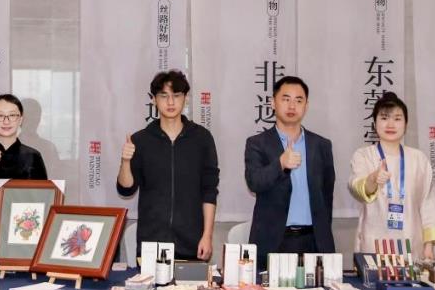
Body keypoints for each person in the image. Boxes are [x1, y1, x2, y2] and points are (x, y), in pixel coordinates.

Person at [116, 70, 219, 261]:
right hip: (151, 243)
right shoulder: (141, 140)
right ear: (153, 100)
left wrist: (207, 235)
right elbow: (126, 188)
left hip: (192, 242)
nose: (170, 102)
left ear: (185, 98)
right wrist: (125, 162)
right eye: (163, 96)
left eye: (176, 95)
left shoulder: (202, 139)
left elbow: (209, 191)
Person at [244, 76, 335, 259]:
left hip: (314, 241)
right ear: (273, 103)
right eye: (286, 99)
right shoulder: (257, 144)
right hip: (274, 241)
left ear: (306, 106)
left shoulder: (321, 145)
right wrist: (280, 164)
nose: (292, 106)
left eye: (298, 100)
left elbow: (327, 193)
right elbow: (254, 182)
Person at [347, 92, 435, 260]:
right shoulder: (364, 156)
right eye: (384, 118)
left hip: (412, 246)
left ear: (406, 124)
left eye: (397, 119)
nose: (390, 124)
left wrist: (429, 247)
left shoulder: (419, 159)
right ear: (374, 123)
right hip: (373, 246)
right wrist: (372, 179)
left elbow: (428, 204)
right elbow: (356, 188)